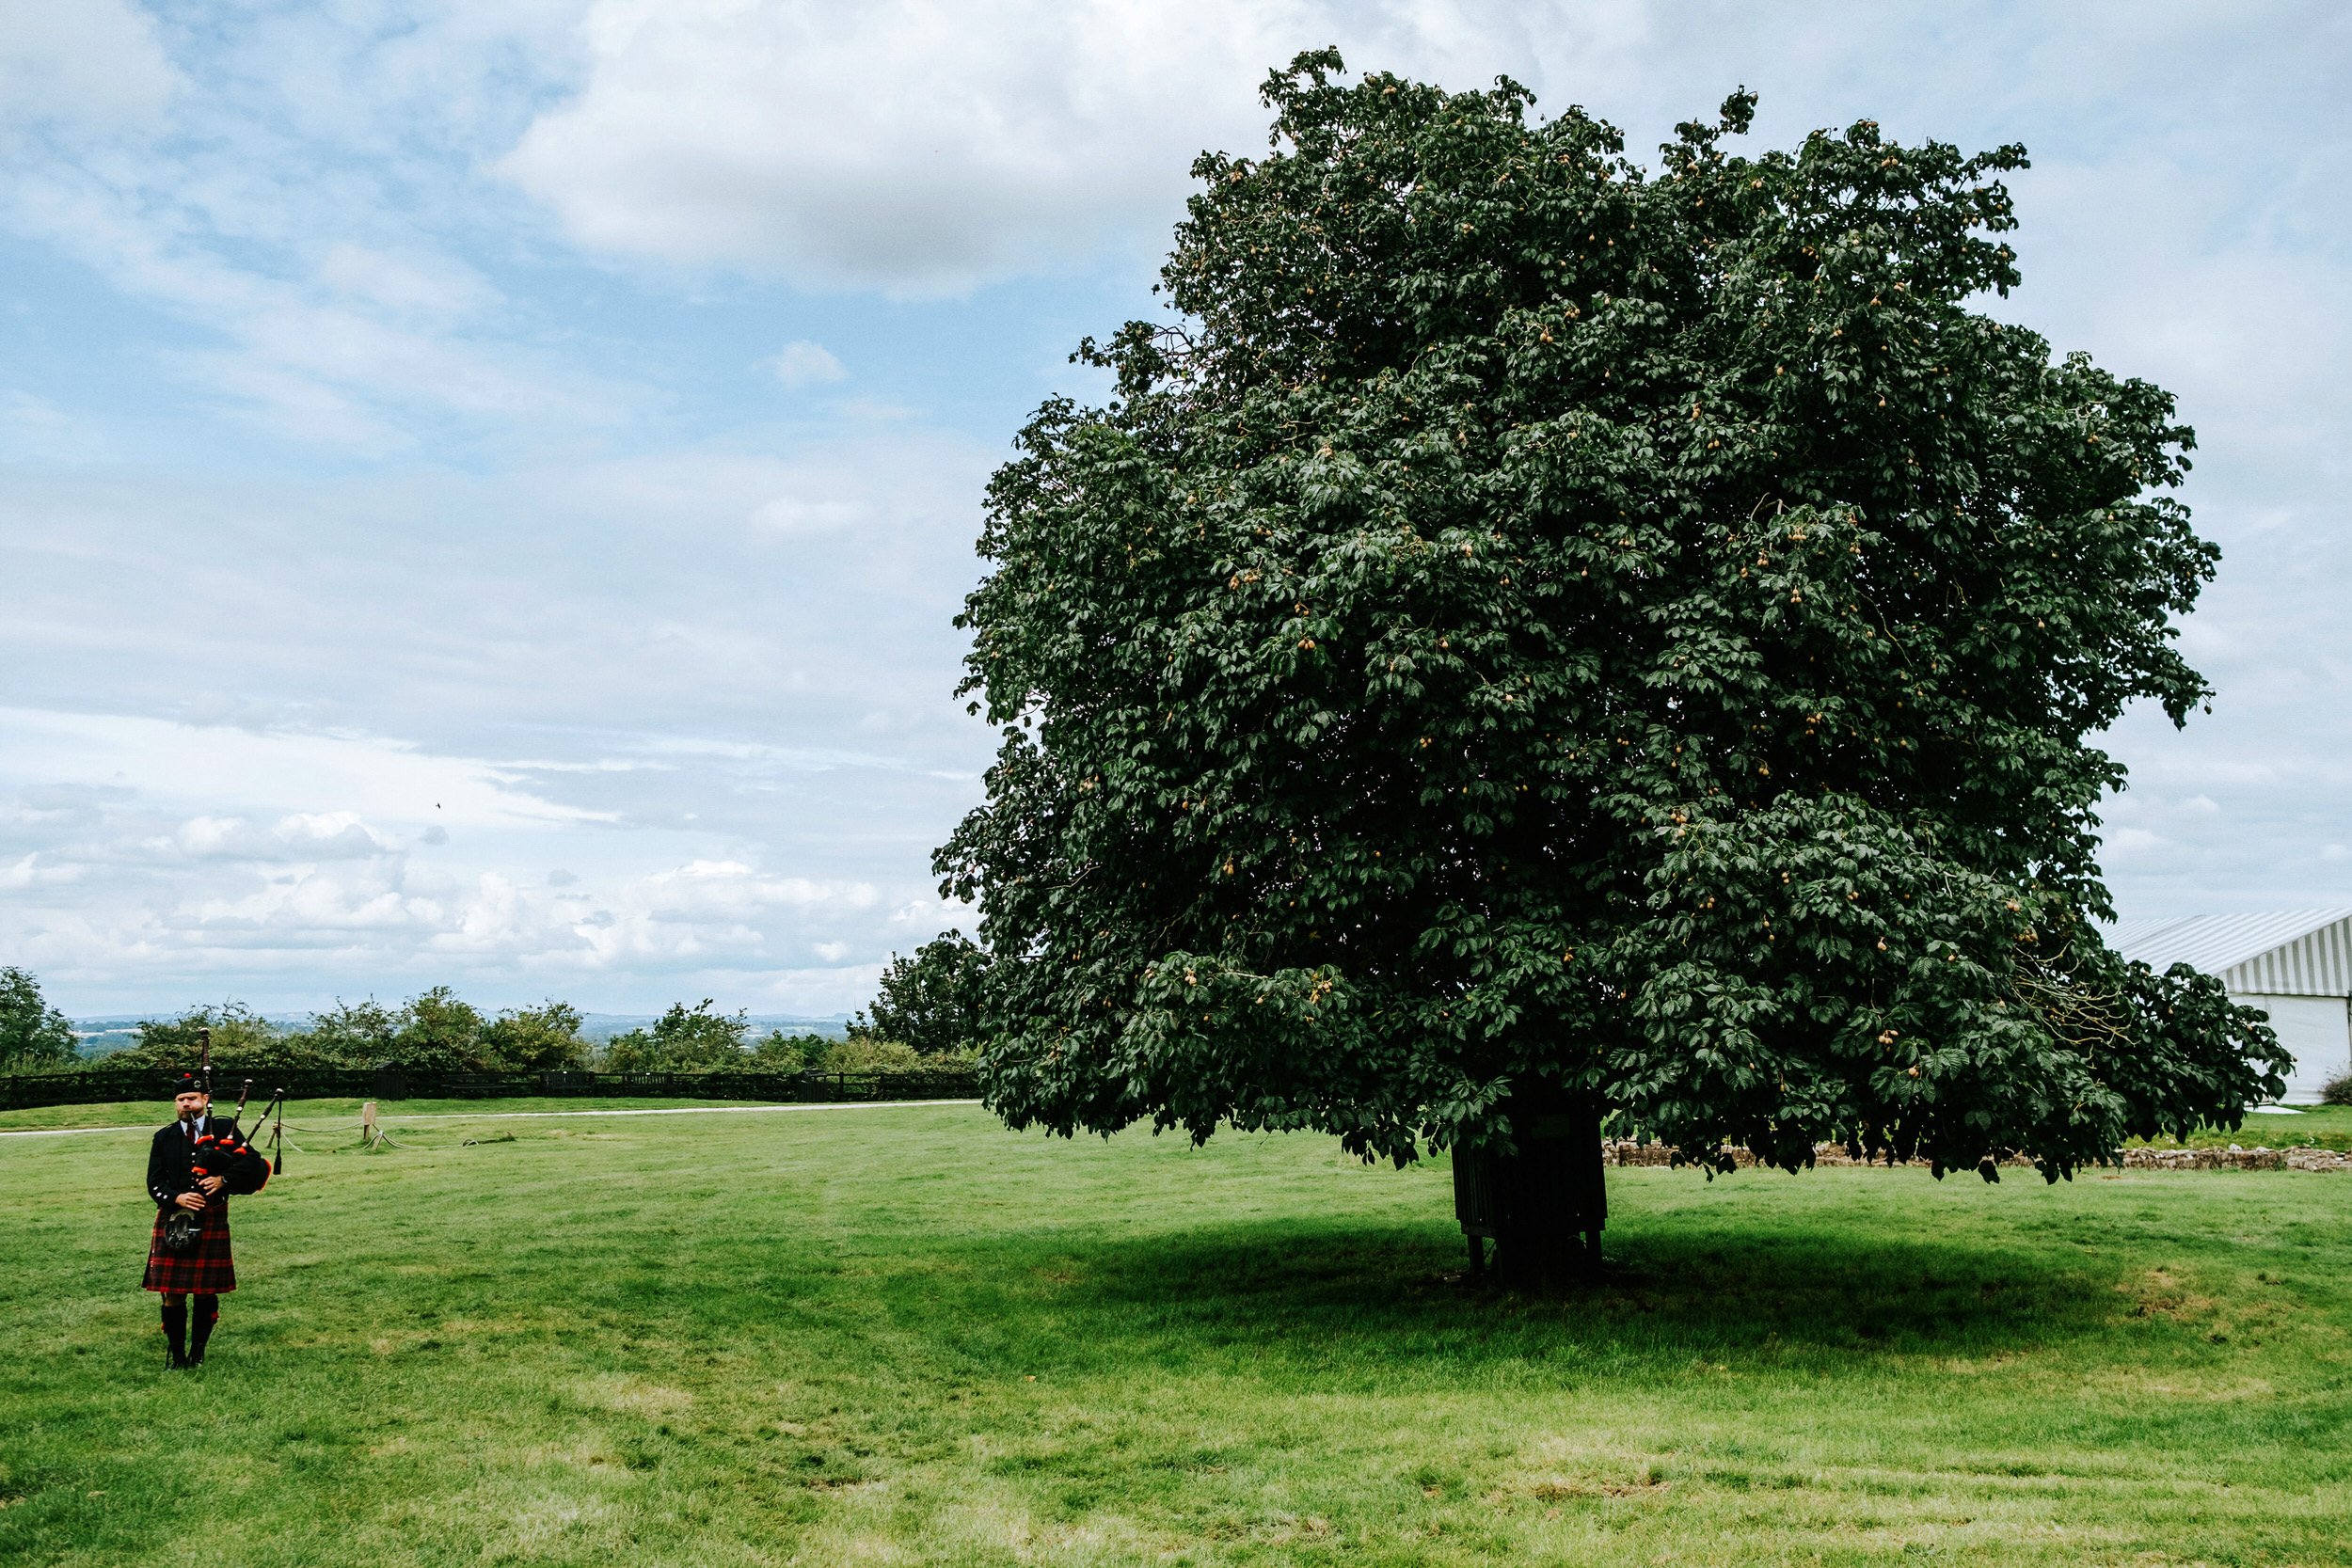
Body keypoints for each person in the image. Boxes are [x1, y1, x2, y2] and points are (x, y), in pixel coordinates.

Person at [142, 1072, 266, 1369]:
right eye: (181, 1100)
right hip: (175, 1217)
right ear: (175, 1103)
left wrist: (224, 1179)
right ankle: (177, 1356)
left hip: (212, 1215)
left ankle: (198, 1353)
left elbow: (253, 1161)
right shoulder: (164, 1136)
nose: (187, 1104)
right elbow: (154, 1181)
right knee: (172, 1292)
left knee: (205, 1291)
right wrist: (176, 1198)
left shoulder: (225, 1127)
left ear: (205, 1100)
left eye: (192, 1099)